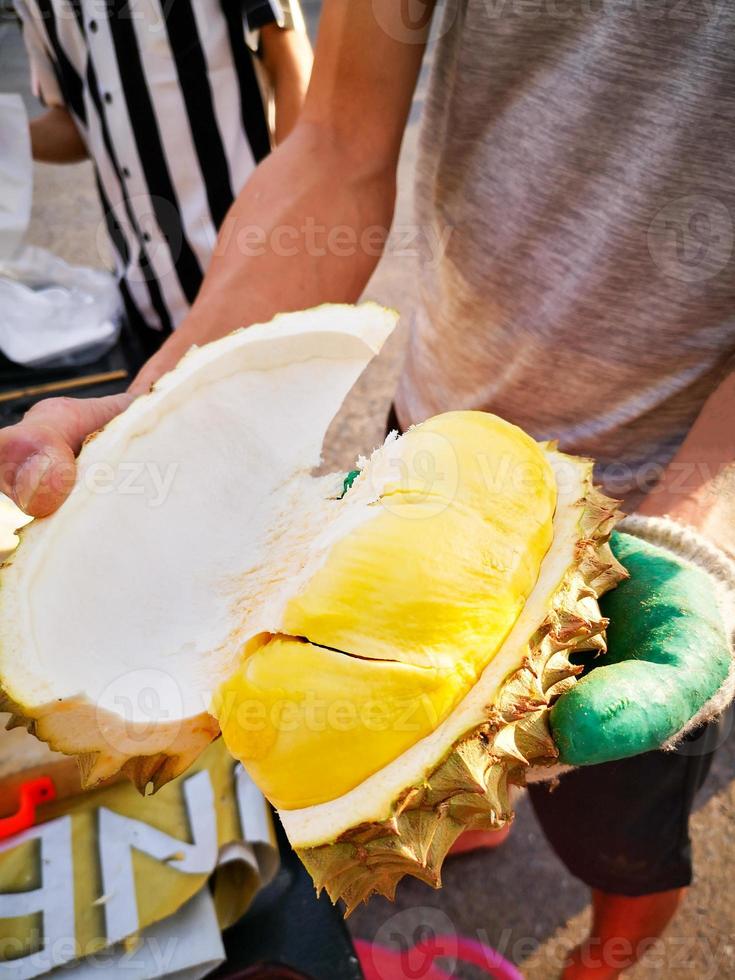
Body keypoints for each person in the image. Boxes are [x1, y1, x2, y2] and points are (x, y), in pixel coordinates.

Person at [3, 3, 735, 976]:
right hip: (429, 451)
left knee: (622, 831)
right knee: (418, 717)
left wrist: (702, 520)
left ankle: (604, 950)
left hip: (656, 507)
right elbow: (338, 143)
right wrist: (170, 406)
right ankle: (479, 805)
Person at [16, 0, 312, 343]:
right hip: (146, 302)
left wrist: (291, 237)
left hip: (254, 282)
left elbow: (290, 61)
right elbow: (80, 125)